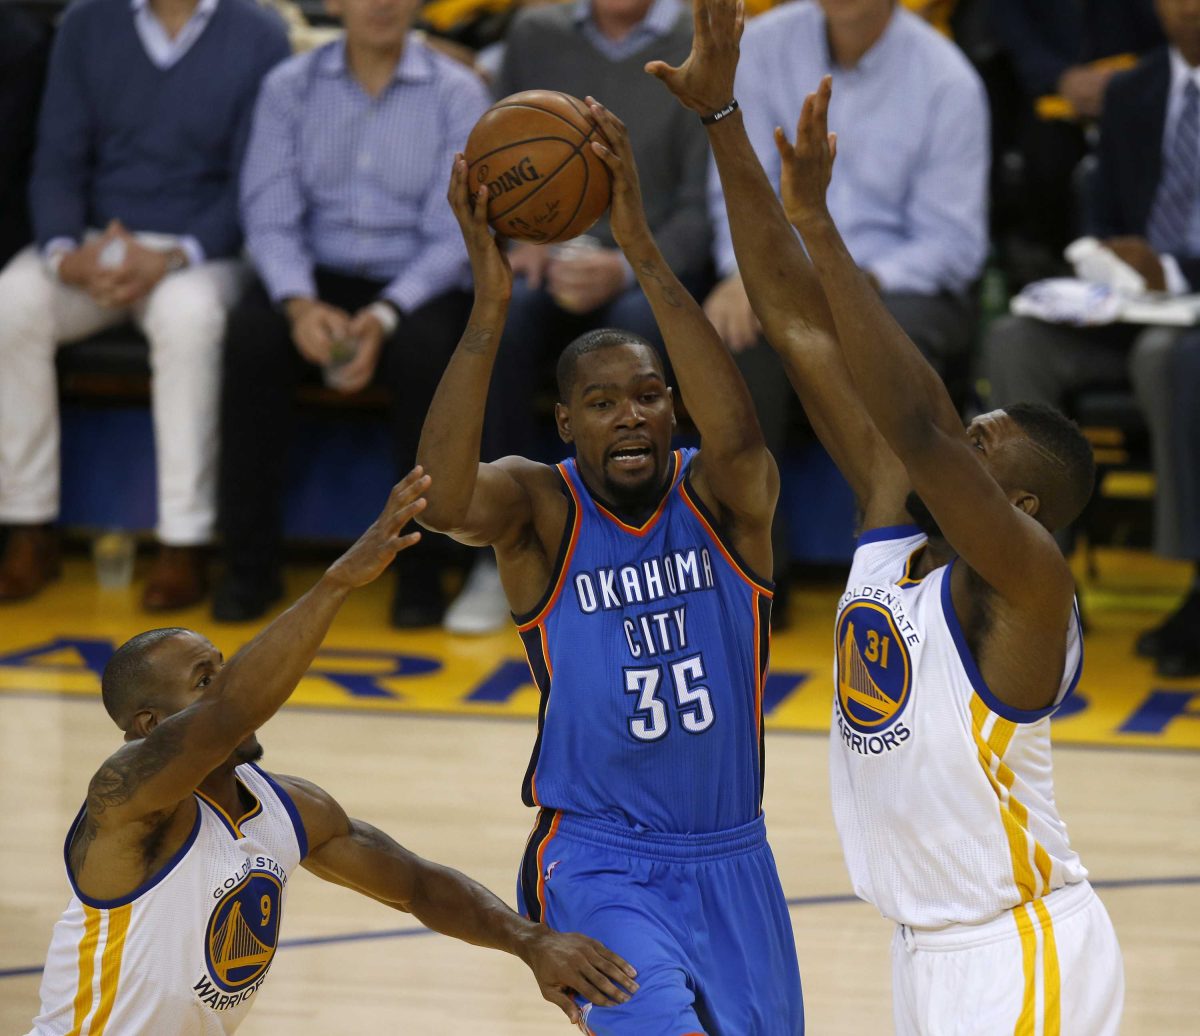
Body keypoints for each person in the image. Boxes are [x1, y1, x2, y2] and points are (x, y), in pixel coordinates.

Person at [650, 3, 1123, 1029]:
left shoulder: (1030, 583)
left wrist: (820, 222)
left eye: (986, 438)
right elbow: (789, 319)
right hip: (922, 954)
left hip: (1023, 948)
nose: (964, 434)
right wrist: (724, 114)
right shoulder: (891, 522)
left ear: (1028, 506)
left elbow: (921, 426)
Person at [415, 104, 802, 1032]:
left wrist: (639, 244)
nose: (629, 415)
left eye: (648, 395)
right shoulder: (541, 511)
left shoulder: (722, 500)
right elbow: (441, 498)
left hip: (736, 858)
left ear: (674, 410)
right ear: (564, 423)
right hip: (599, 860)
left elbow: (740, 433)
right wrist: (492, 302)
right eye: (600, 402)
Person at [25, 467, 637, 1035]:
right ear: (148, 726)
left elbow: (418, 887)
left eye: (225, 666)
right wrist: (339, 580)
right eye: (206, 679)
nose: (233, 680)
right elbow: (231, 711)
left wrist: (529, 941)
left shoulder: (289, 811)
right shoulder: (125, 806)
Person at [0, 0, 290, 611]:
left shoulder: (260, 31)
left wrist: (174, 254)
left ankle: (184, 541)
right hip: (97, 241)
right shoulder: (85, 22)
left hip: (200, 250)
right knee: (12, 301)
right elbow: (55, 159)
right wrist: (62, 253)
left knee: (189, 319)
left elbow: (254, 180)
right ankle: (27, 525)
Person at [702, 0, 989, 605]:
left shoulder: (947, 78)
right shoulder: (759, 45)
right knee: (732, 333)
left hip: (897, 285)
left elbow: (954, 244)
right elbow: (732, 179)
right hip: (781, 270)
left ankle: (907, 568)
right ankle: (747, 567)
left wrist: (852, 287)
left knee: (888, 345)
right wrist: (737, 271)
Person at [216, 0, 491, 629]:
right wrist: (297, 303)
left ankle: (421, 577)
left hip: (415, 281)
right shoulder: (288, 87)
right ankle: (247, 569)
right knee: (252, 338)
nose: (382, 4)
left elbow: (454, 234)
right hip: (315, 272)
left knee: (431, 354)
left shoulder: (456, 92)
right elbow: (268, 212)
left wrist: (386, 315)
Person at [445, 0, 714, 637]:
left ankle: (653, 554)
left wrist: (626, 265)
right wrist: (524, 238)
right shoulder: (536, 33)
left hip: (647, 266)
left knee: (632, 341)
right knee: (503, 325)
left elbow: (701, 210)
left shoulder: (692, 41)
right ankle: (505, 545)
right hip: (549, 256)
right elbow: (500, 167)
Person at [984, 0, 1200, 676]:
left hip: (1183, 324)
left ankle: (1195, 580)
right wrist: (1106, 259)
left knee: (1168, 358)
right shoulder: (1136, 87)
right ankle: (1033, 571)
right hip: (1134, 307)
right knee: (1017, 339)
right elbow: (1100, 207)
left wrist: (1170, 269)